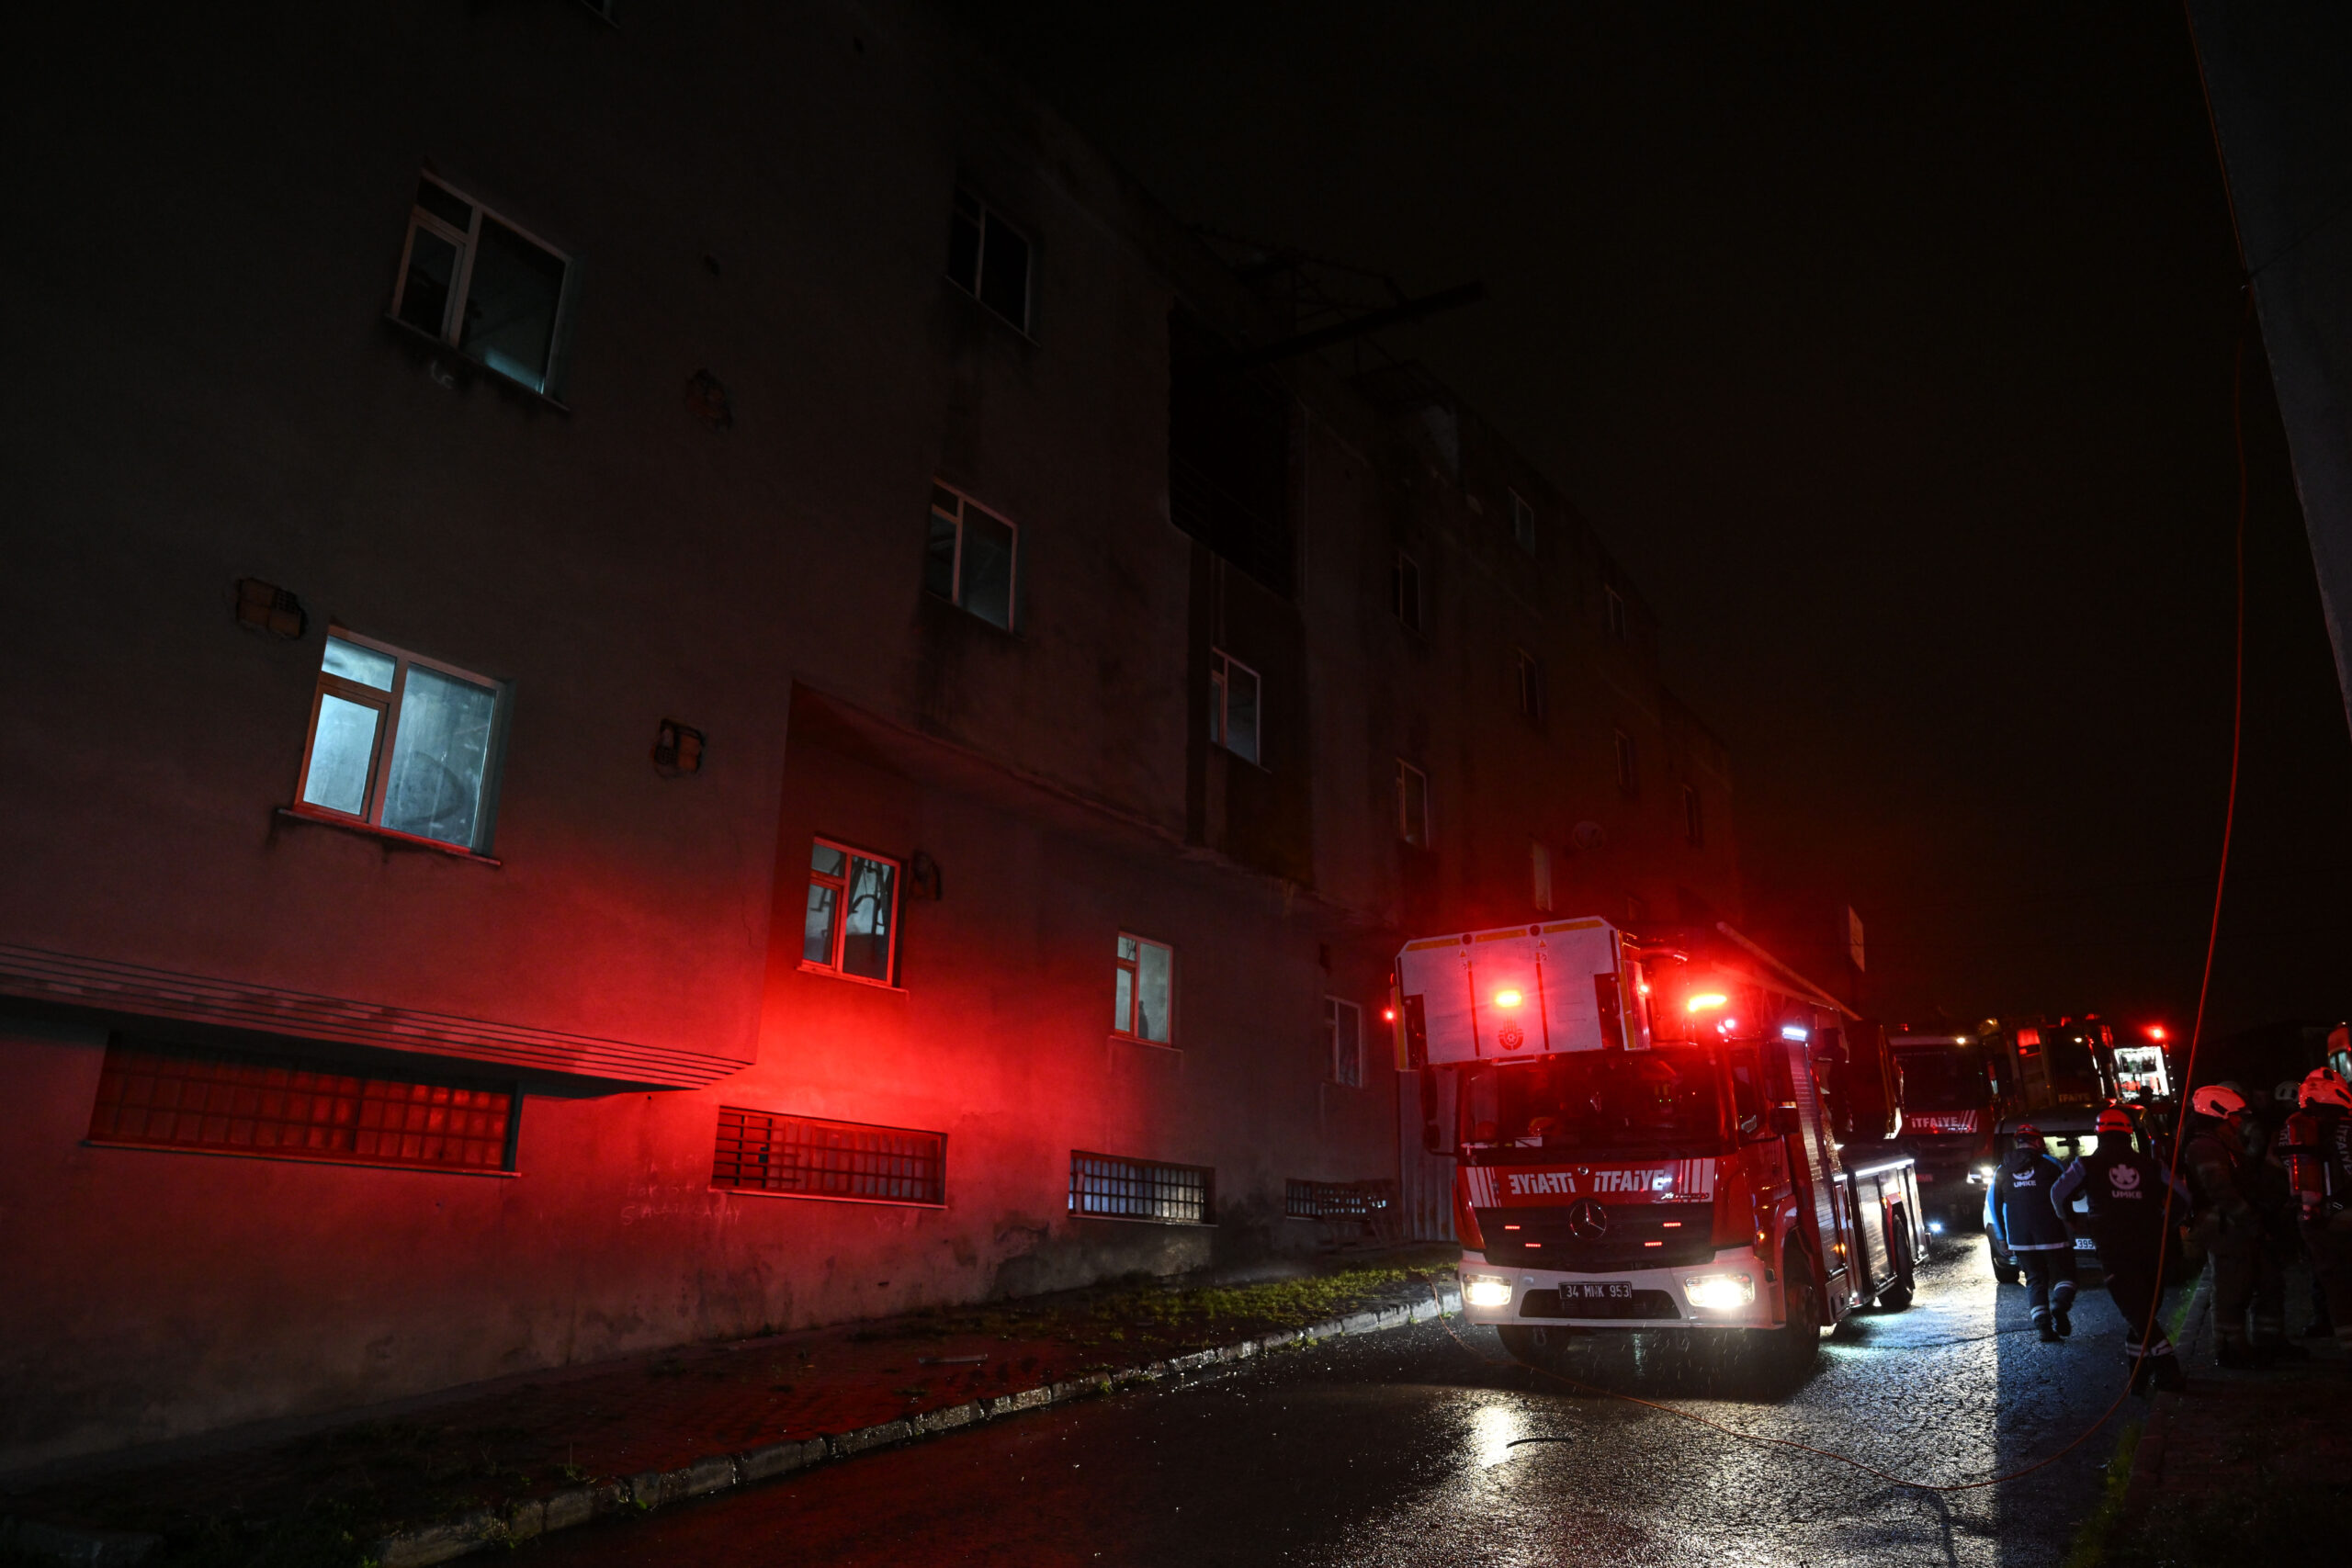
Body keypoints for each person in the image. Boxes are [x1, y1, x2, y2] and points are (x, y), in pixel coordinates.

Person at [2053, 1106, 2191, 1393]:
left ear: (2099, 1134)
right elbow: (2183, 1196)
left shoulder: (2086, 1165)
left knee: (2137, 1313)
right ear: (2129, 1134)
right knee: (2143, 1311)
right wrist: (2167, 1223)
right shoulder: (2152, 1165)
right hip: (2151, 1246)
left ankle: (2167, 1369)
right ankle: (2138, 1377)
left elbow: (2058, 1193)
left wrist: (2071, 1219)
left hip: (2114, 1249)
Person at [2182, 1085, 2301, 1365]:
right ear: (2219, 1115)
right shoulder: (2204, 1147)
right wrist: (2253, 1222)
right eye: (2235, 1116)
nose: (2239, 1122)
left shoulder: (2224, 1143)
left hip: (2241, 1225)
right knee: (2232, 1290)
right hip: (2226, 1228)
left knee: (2268, 1282)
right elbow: (2222, 1192)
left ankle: (2269, 1341)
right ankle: (2231, 1350)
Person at [2280, 1066, 2352, 1351]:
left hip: (2312, 1218)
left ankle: (2343, 1338)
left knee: (2332, 1282)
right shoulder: (2348, 1127)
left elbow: (2283, 1168)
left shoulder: (2293, 1128)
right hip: (2344, 1213)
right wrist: (2337, 1204)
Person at [1989, 1122, 2077, 1341]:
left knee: (2035, 1279)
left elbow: (1993, 1204)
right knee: (2066, 1274)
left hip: (2020, 1238)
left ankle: (2044, 1328)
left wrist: (2002, 1238)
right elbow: (2072, 1191)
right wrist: (2071, 1222)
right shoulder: (2051, 1164)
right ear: (2038, 1141)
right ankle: (2059, 1304)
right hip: (2053, 1233)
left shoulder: (2002, 1169)